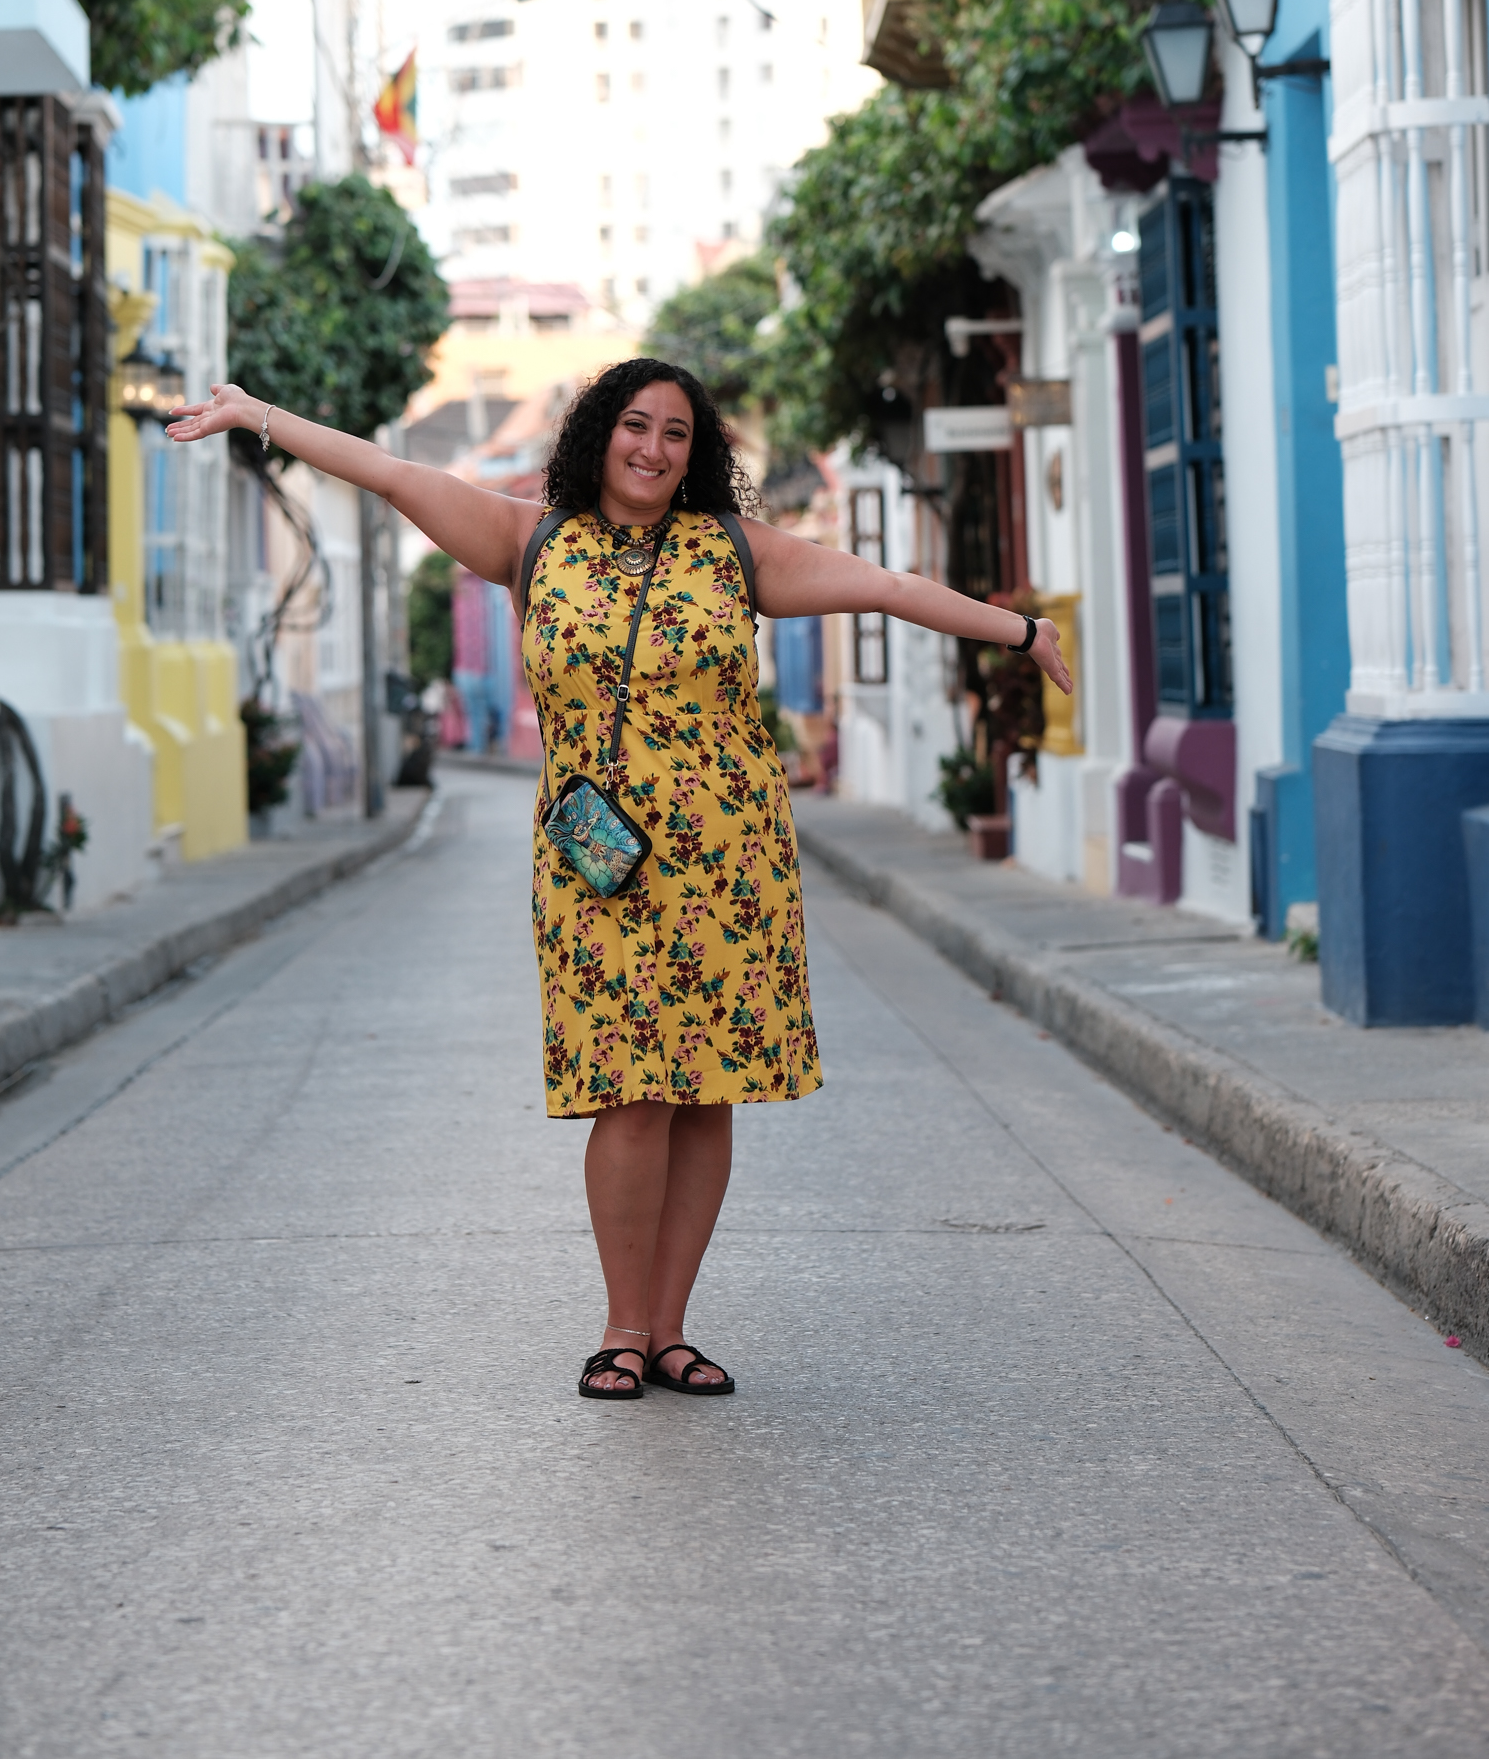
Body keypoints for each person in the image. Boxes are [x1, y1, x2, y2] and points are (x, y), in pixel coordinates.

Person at [168, 358, 1070, 1401]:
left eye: (676, 433)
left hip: (731, 868)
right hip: (599, 870)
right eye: (635, 425)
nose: (652, 447)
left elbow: (886, 584)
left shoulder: (732, 552)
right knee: (629, 1092)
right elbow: (386, 471)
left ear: (698, 453)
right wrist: (258, 416)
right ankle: (619, 1325)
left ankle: (672, 1328)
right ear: (600, 433)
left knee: (704, 1094)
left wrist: (1019, 630)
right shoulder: (529, 542)